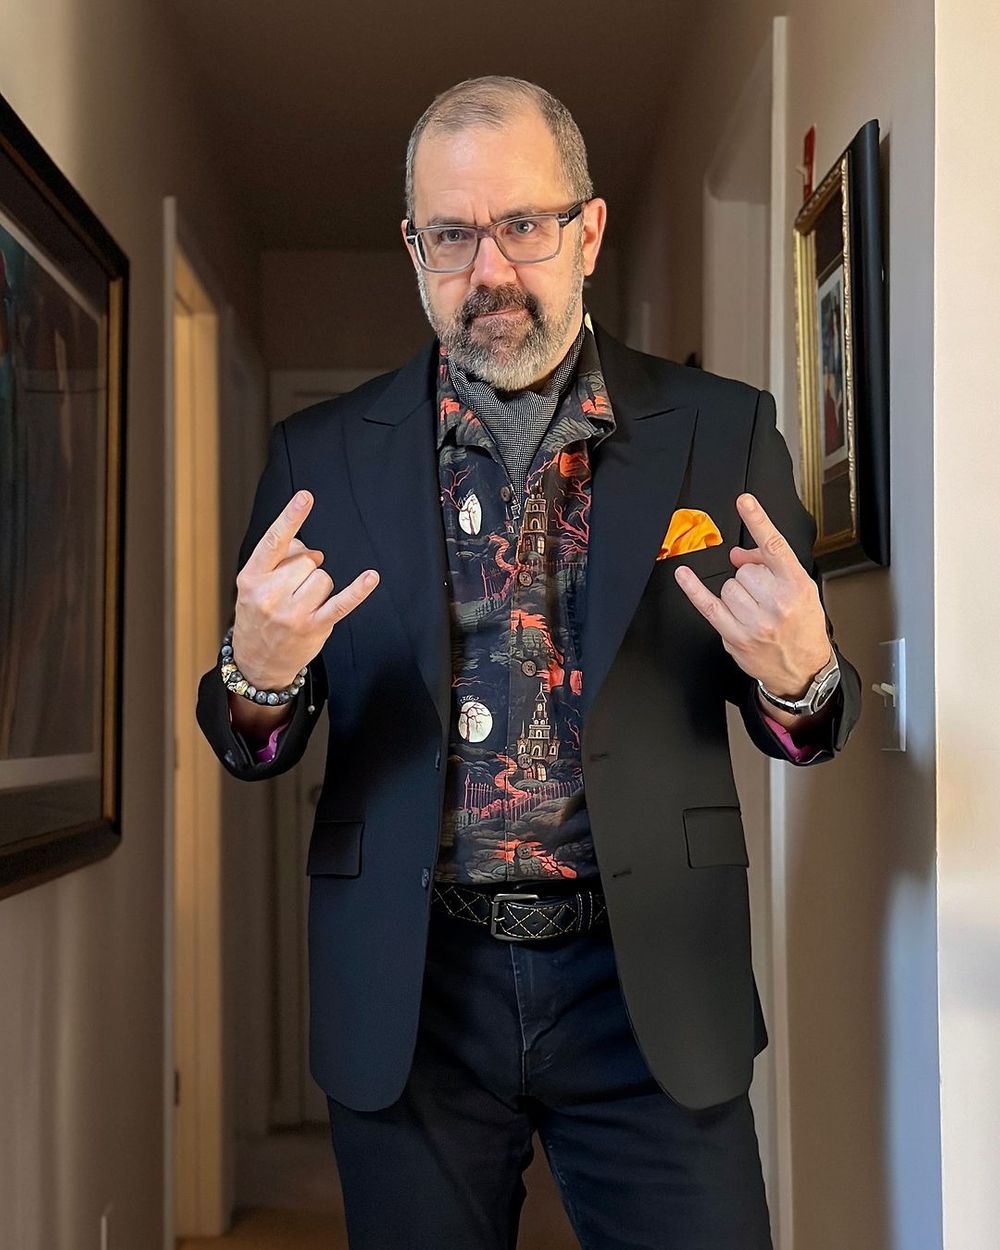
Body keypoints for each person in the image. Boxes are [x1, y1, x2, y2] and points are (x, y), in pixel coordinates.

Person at [197, 75, 861, 1250]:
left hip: (646, 976)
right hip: (412, 986)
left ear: (587, 230)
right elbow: (251, 737)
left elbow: (805, 720)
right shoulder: (323, 452)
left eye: (524, 224)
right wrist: (257, 675)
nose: (489, 271)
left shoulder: (723, 428)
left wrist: (800, 677)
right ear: (412, 246)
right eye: (451, 235)